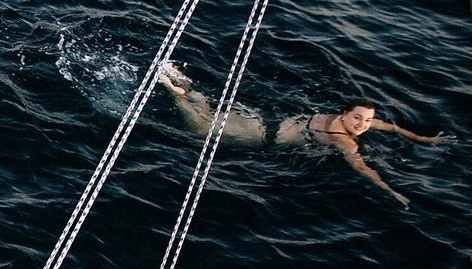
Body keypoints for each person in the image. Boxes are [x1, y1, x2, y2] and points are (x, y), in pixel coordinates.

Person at [158, 60, 451, 209]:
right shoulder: (342, 139)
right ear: (344, 114)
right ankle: (171, 88)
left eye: (367, 121)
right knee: (202, 128)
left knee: (208, 111)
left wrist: (425, 139)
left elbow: (393, 127)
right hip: (259, 136)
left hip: (261, 119)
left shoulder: (349, 122)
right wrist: (391, 191)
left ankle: (179, 79)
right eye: (358, 118)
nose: (363, 125)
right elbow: (362, 168)